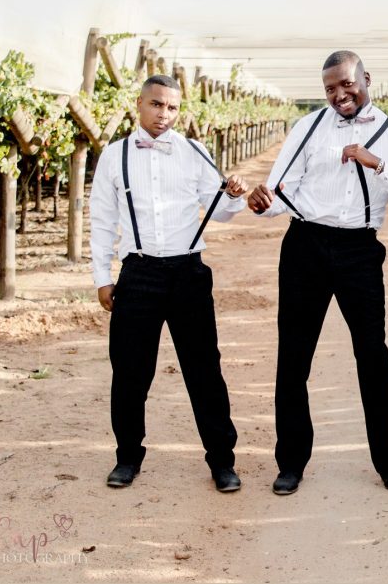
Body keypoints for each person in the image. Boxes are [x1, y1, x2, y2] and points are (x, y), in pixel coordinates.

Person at [248, 51, 388, 495]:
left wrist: (378, 164)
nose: (339, 95)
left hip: (359, 250)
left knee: (372, 355)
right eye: (330, 88)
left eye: (347, 84)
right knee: (294, 357)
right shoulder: (308, 127)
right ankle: (291, 463)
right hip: (305, 245)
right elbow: (280, 192)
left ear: (366, 78)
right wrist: (261, 203)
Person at [89, 74, 249, 493]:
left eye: (173, 107)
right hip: (139, 273)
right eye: (157, 104)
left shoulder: (195, 152)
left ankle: (222, 461)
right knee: (129, 371)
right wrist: (102, 277)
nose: (164, 114)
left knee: (204, 370)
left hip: (188, 273)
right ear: (139, 105)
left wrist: (232, 194)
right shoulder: (115, 156)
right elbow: (102, 219)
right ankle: (127, 457)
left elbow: (221, 211)